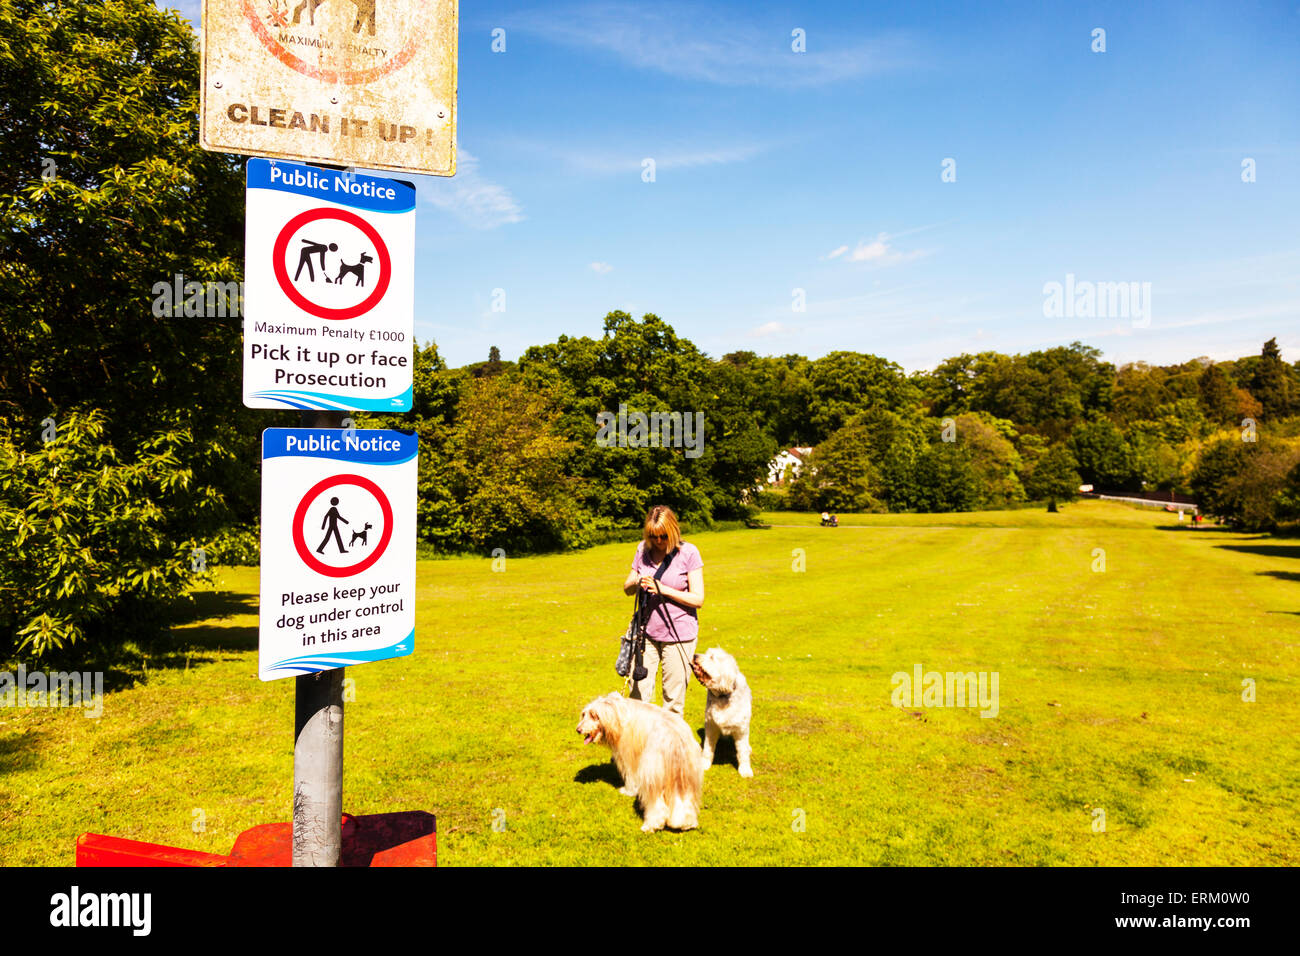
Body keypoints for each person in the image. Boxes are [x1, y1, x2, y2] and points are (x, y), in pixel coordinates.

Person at [621, 505, 704, 717]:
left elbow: (698, 599)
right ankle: (636, 748)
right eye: (653, 536)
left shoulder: (689, 553)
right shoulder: (642, 550)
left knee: (672, 703)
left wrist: (663, 589)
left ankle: (670, 749)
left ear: (673, 530)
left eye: (663, 536)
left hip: (678, 636)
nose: (658, 541)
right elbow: (627, 588)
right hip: (645, 635)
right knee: (637, 698)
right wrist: (638, 581)